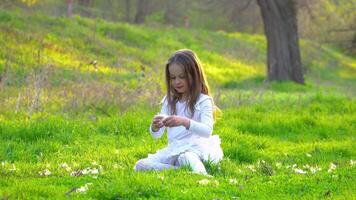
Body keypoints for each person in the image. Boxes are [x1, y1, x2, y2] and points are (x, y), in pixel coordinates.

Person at [134, 49, 223, 175]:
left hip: (196, 149)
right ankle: (181, 172)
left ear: (195, 74)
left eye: (182, 77)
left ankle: (203, 176)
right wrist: (154, 127)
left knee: (186, 157)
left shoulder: (203, 101)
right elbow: (157, 135)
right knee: (140, 165)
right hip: (174, 150)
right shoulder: (169, 101)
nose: (177, 82)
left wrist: (184, 122)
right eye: (173, 78)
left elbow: (207, 131)